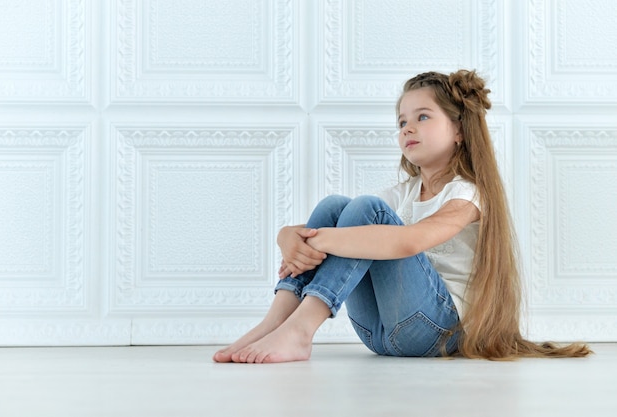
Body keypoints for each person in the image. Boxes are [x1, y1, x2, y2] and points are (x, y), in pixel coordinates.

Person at [213, 69, 591, 363]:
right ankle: (276, 322)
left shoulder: (468, 192)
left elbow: (408, 241)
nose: (407, 127)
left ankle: (300, 330)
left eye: (423, 117)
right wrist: (286, 235)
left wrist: (314, 240)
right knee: (335, 205)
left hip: (436, 330)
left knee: (363, 211)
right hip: (378, 332)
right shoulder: (403, 194)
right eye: (401, 122)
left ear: (459, 130)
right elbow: (341, 225)